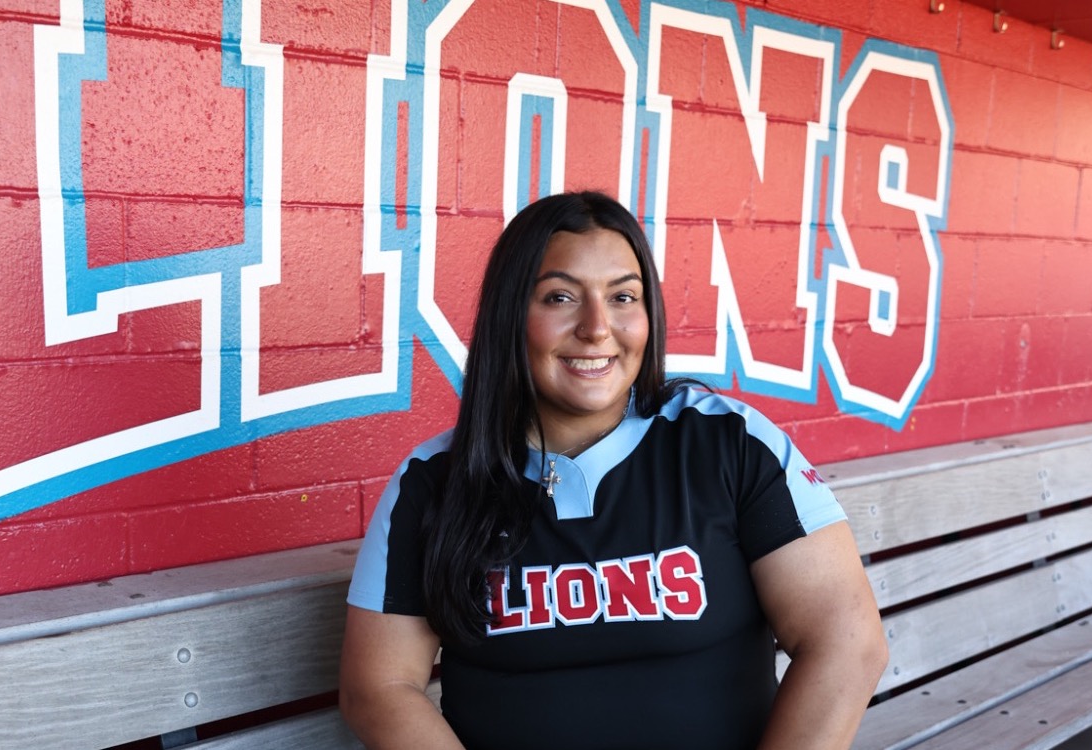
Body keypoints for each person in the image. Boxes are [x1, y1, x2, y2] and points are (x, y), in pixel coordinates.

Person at [339, 191, 887, 749]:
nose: (598, 327)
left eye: (624, 296)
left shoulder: (728, 444)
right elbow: (381, 686)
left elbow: (847, 643)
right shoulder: (434, 480)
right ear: (510, 315)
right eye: (559, 297)